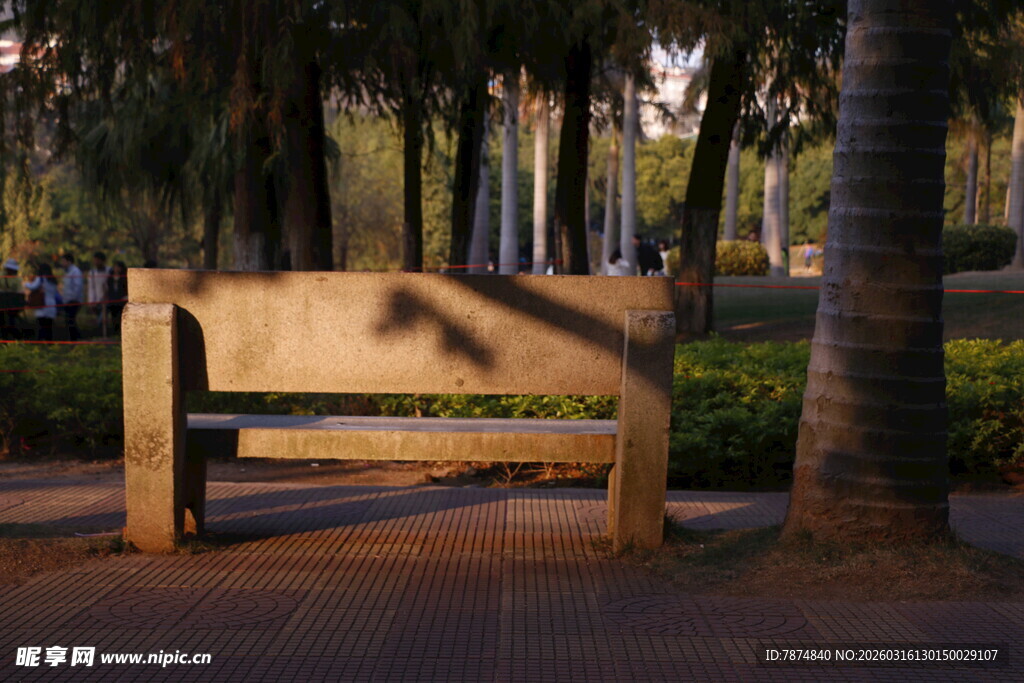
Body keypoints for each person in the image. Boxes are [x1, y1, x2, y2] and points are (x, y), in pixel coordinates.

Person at [23, 262, 58, 341]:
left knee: (41, 325)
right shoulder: (53, 280)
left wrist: (25, 284)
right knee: (49, 326)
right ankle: (49, 343)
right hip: (52, 304)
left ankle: (40, 342)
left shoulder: (41, 278)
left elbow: (33, 286)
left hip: (43, 304)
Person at [59, 253, 83, 341]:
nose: (62, 263)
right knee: (69, 321)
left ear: (69, 261)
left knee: (70, 320)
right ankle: (74, 339)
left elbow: (78, 286)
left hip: (73, 301)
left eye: (63, 261)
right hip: (67, 301)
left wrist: (73, 299)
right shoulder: (67, 272)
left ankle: (76, 339)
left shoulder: (75, 271)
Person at [1, 257, 23, 339]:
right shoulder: (1, 275)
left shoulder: (17, 279)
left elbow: (20, 292)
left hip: (12, 304)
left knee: (11, 321)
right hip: (2, 304)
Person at [87, 251, 110, 329]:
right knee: (99, 319)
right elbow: (91, 288)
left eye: (97, 260)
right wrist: (91, 302)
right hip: (97, 300)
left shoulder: (109, 271)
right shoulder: (92, 272)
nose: (96, 262)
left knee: (103, 319)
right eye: (95, 260)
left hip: (108, 299)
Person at [106, 260, 128, 334]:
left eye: (118, 267)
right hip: (113, 301)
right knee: (114, 317)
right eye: (115, 267)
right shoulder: (110, 277)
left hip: (121, 301)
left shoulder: (124, 277)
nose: (116, 268)